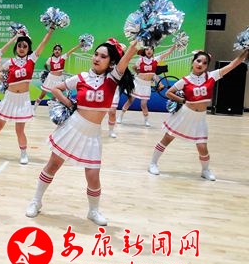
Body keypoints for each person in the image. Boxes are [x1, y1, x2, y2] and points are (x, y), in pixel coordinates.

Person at [25, 38, 137, 225]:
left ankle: (93, 211)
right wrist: (69, 103)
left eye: (103, 56)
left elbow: (128, 55)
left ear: (111, 62)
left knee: (93, 176)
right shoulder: (82, 77)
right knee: (52, 165)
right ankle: (36, 201)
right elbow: (56, 89)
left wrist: (138, 40)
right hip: (72, 127)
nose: (97, 58)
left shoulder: (112, 78)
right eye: (96, 54)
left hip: (93, 134)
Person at [148, 49, 249, 180]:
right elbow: (169, 93)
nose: (201, 64)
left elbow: (233, 64)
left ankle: (205, 170)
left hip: (200, 118)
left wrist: (246, 50)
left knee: (202, 147)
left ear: (207, 66)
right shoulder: (185, 80)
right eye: (198, 61)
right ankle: (153, 163)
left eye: (205, 63)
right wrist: (182, 100)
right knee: (167, 138)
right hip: (184, 115)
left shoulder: (212, 76)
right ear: (193, 62)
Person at [0, 27, 54, 164]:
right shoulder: (10, 62)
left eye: (25, 46)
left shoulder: (32, 59)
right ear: (16, 47)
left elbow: (43, 43)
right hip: (10, 98)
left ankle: (24, 154)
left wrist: (51, 30)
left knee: (20, 129)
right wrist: (4, 81)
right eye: (19, 46)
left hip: (23, 99)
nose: (22, 48)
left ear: (28, 48)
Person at [118, 44, 176, 126]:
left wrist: (174, 46)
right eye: (147, 49)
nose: (149, 51)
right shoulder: (140, 60)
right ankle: (120, 117)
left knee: (143, 104)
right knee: (130, 100)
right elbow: (134, 67)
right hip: (138, 82)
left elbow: (168, 53)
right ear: (144, 51)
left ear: (153, 51)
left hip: (146, 85)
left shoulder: (156, 59)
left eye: (151, 49)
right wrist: (138, 73)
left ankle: (146, 121)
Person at [34, 41, 82, 110]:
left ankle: (52, 111)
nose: (57, 51)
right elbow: (45, 65)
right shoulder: (50, 59)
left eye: (59, 50)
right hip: (50, 78)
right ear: (53, 51)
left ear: (61, 52)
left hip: (58, 79)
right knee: (42, 95)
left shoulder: (63, 57)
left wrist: (79, 45)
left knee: (56, 96)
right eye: (55, 49)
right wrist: (48, 72)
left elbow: (71, 51)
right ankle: (34, 109)